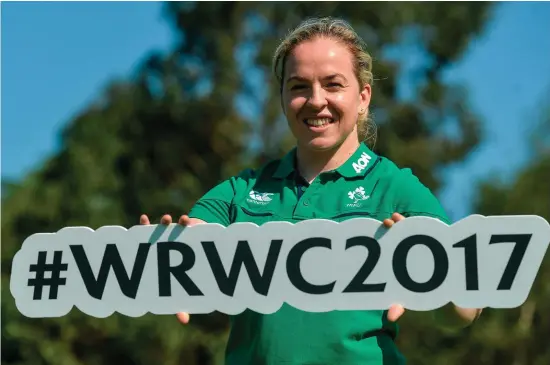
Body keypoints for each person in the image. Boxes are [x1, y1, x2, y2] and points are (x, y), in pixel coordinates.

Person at [140, 17, 482, 365]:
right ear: (283, 96)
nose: (316, 100)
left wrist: (429, 271)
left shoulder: (394, 187)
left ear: (363, 96)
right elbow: (192, 241)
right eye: (299, 86)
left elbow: (463, 312)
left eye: (333, 85)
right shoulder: (240, 192)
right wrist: (157, 257)